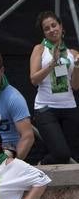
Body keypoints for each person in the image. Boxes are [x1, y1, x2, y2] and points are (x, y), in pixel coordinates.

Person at [30, 11, 79, 164]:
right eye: (47, 28)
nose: (51, 30)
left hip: (69, 106)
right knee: (61, 154)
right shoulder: (40, 49)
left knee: (73, 153)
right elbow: (34, 79)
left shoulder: (72, 53)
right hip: (46, 108)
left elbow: (75, 86)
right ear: (44, 33)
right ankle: (40, 166)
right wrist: (53, 63)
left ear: (61, 27)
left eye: (54, 25)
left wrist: (77, 66)